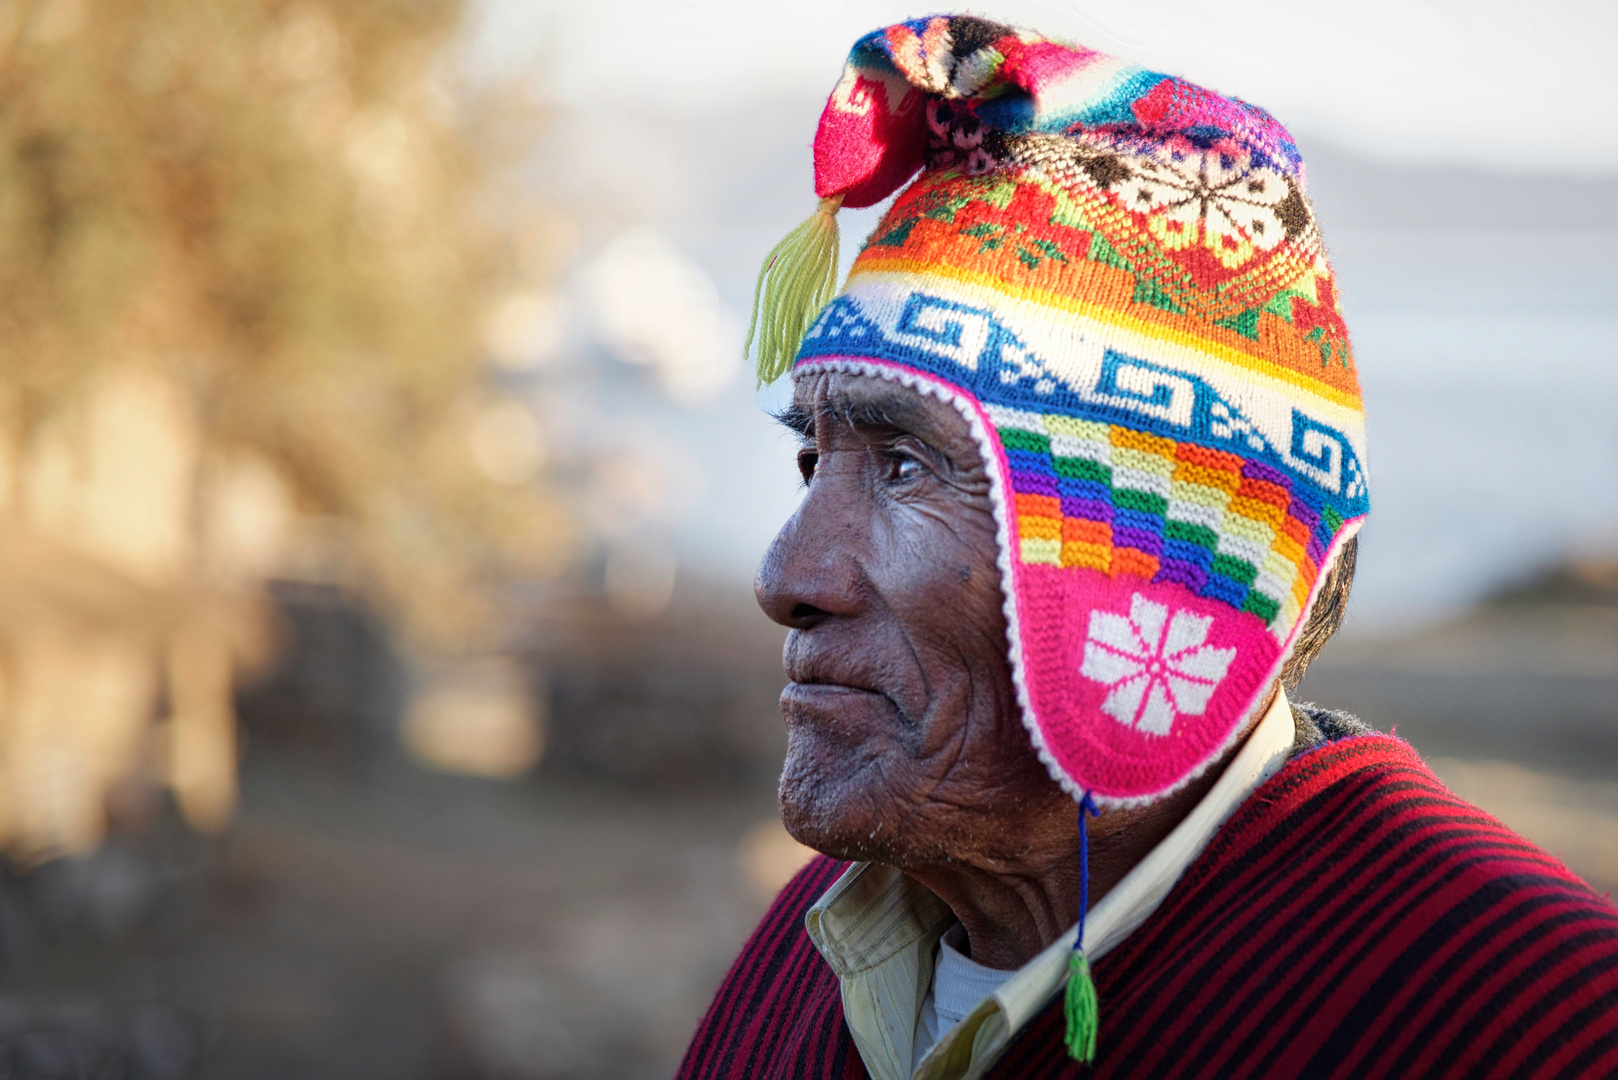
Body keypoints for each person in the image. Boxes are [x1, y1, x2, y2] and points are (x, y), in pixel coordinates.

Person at [676, 15, 1618, 1080]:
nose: (788, 578)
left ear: (1168, 563)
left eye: (904, 467)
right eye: (813, 462)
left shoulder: (1529, 1023)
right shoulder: (819, 946)